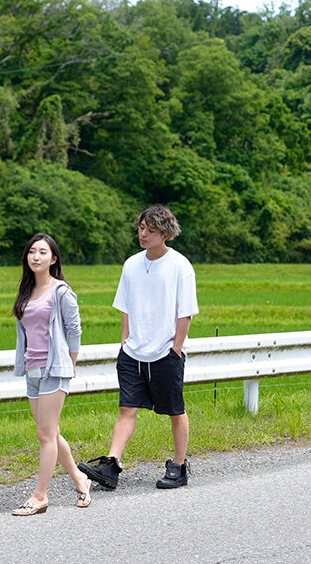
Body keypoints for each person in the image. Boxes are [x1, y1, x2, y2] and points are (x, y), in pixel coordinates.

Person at [79, 204, 199, 490]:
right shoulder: (131, 264)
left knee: (175, 410)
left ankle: (179, 466)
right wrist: (125, 341)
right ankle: (111, 465)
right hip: (132, 353)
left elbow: (186, 312)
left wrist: (176, 349)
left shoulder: (180, 265)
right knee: (127, 409)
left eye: (150, 230)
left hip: (165, 353)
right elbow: (126, 305)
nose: (143, 234)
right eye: (141, 228)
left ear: (165, 234)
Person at [11, 233, 92, 515]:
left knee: (44, 435)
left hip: (54, 369)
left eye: (43, 252)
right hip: (31, 370)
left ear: (54, 259)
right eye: (32, 251)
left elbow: (75, 330)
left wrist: (70, 364)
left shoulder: (61, 292)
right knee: (52, 433)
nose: (36, 257)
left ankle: (40, 496)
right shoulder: (26, 290)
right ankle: (81, 479)